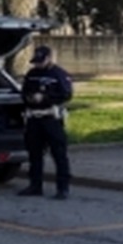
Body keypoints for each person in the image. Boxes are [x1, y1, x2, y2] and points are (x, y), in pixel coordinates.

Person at [17, 45, 72, 200]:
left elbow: (66, 94)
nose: (38, 65)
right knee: (34, 154)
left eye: (41, 61)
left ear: (49, 58)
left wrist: (46, 97)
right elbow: (24, 92)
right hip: (34, 118)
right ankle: (35, 185)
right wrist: (29, 98)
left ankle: (63, 188)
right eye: (36, 62)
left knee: (59, 154)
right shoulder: (32, 74)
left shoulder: (58, 74)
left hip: (51, 118)